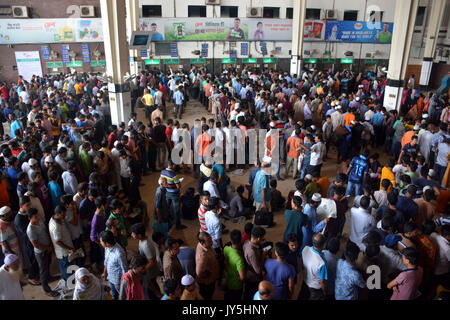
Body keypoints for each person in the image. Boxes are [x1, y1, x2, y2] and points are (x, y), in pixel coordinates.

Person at [130, 223, 162, 300]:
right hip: (146, 269)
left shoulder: (146, 245)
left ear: (140, 235)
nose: (131, 235)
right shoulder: (142, 240)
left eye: (133, 233)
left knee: (153, 287)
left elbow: (151, 262)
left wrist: (140, 271)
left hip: (150, 272)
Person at [48, 205, 75, 283]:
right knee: (67, 268)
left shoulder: (57, 218)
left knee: (67, 267)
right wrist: (69, 248)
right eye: (63, 214)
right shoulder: (55, 226)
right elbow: (58, 241)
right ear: (58, 214)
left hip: (66, 249)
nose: (65, 216)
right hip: (63, 252)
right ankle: (69, 283)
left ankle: (67, 280)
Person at [100, 230, 128, 300]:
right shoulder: (107, 248)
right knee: (113, 296)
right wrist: (105, 272)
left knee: (123, 297)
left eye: (101, 241)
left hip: (118, 281)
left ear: (107, 243)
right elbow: (106, 262)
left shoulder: (119, 253)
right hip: (110, 278)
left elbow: (124, 269)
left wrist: (125, 284)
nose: (100, 243)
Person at [301, 233, 328, 300]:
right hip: (315, 288)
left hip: (305, 281)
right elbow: (322, 282)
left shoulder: (305, 249)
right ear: (324, 245)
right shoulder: (322, 263)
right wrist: (324, 291)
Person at [243, 226, 266, 300]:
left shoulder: (246, 242)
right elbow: (258, 270)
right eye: (262, 238)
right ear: (259, 238)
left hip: (248, 274)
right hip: (253, 278)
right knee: (251, 294)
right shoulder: (252, 252)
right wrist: (263, 256)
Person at [195, 232, 220, 300]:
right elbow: (199, 273)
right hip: (207, 283)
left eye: (211, 239)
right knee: (207, 296)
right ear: (202, 243)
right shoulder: (202, 256)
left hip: (211, 278)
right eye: (209, 241)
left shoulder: (206, 245)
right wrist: (209, 273)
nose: (212, 242)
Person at [223, 229, 246, 300]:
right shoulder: (239, 259)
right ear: (241, 240)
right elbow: (242, 278)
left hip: (228, 281)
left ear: (230, 239)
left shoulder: (226, 248)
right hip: (236, 285)